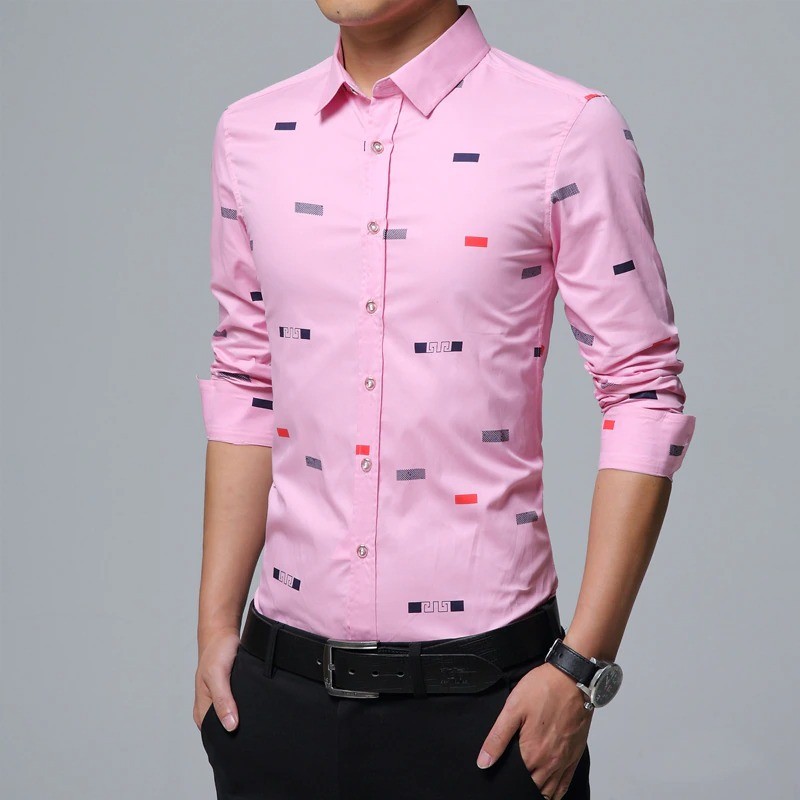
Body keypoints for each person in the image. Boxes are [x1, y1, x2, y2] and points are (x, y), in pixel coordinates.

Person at [193, 2, 697, 799]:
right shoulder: (251, 134)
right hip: (275, 705)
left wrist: (580, 667)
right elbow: (248, 381)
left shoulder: (566, 129)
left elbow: (643, 394)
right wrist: (214, 631)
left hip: (488, 719)